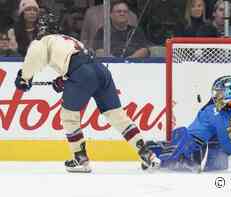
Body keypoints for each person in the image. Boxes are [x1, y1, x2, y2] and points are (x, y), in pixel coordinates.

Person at [14, 33, 160, 172]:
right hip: (100, 70)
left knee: (68, 117)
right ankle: (147, 154)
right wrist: (65, 79)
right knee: (116, 116)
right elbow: (76, 60)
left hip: (82, 73)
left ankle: (80, 159)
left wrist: (24, 78)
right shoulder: (66, 39)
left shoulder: (40, 42)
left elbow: (33, 59)